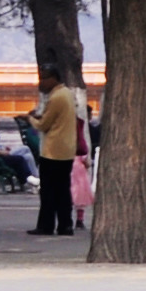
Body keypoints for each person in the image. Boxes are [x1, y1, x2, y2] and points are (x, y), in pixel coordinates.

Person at [28, 64, 86, 235]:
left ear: (54, 78)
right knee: (62, 189)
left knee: (48, 190)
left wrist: (30, 119)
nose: (42, 83)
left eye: (44, 78)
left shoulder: (56, 97)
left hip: (53, 151)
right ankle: (65, 224)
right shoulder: (67, 93)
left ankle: (46, 225)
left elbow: (44, 125)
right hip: (66, 150)